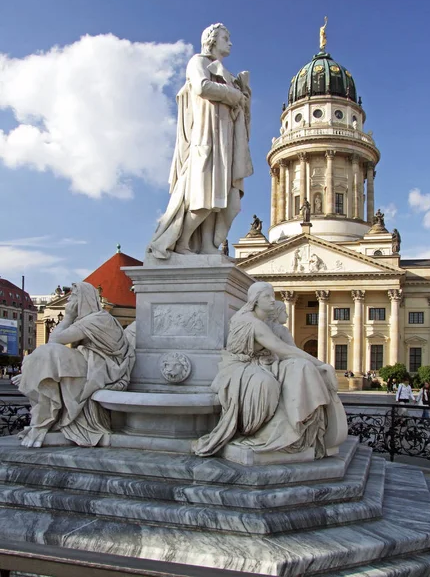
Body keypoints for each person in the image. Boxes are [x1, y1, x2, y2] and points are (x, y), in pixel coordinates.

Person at [193, 282, 347, 458]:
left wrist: (315, 365)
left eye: (273, 296)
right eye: (267, 296)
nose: (273, 301)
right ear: (255, 300)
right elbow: (282, 348)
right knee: (267, 384)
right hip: (239, 368)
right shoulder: (251, 322)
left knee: (301, 367)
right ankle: (269, 433)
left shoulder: (264, 322)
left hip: (264, 363)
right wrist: (320, 364)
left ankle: (300, 428)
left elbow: (284, 349)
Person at [146, 23, 253, 259]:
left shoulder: (227, 75)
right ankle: (181, 242)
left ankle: (206, 246)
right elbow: (202, 86)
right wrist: (234, 94)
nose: (230, 42)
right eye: (226, 37)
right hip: (207, 138)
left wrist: (244, 94)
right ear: (212, 40)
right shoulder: (199, 62)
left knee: (226, 203)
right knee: (204, 196)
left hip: (225, 141)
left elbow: (238, 112)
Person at [12, 282, 135, 448]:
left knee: (48, 353)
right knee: (41, 357)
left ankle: (43, 419)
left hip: (105, 367)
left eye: (73, 298)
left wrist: (68, 316)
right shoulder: (91, 319)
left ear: (84, 300)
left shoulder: (98, 319)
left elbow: (55, 340)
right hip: (92, 361)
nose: (70, 302)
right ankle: (38, 381)